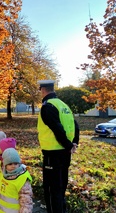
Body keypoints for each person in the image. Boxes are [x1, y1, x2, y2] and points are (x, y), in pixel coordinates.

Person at [37, 79, 80, 213]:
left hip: (52, 154)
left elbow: (57, 128)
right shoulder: (63, 105)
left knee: (51, 190)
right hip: (64, 155)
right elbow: (75, 126)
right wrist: (74, 143)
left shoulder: (48, 106)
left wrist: (68, 145)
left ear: (43, 90)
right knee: (61, 188)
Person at [0, 148, 33, 213]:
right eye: (10, 164)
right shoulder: (3, 173)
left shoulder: (22, 178)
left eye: (15, 163)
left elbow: (26, 199)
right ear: (5, 165)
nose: (13, 166)